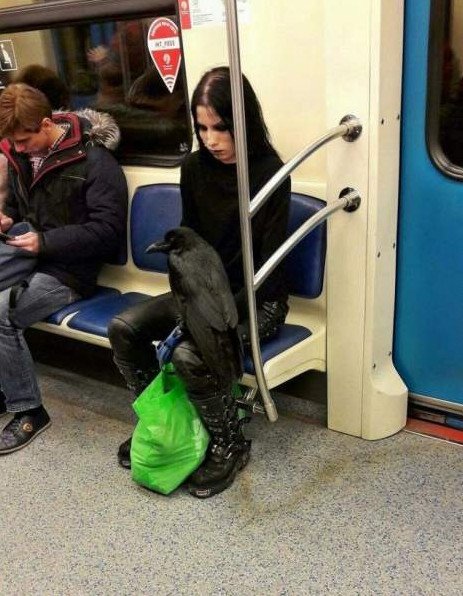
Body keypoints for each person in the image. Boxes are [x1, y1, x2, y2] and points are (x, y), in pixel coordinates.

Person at [108, 66, 290, 498]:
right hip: (199, 293)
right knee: (124, 330)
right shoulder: (193, 168)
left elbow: (268, 268)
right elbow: (189, 245)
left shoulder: (270, 173)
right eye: (202, 128)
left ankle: (230, 442)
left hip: (255, 300)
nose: (211, 139)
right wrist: (191, 305)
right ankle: (167, 421)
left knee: (190, 354)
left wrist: (208, 321)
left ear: (243, 121)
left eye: (221, 127)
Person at [0, 83, 128, 454]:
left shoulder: (96, 163)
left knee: (1, 315)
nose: (18, 149)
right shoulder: (26, 158)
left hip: (70, 271)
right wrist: (9, 220)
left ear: (46, 124)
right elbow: (24, 211)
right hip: (29, 253)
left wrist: (46, 242)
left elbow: (107, 232)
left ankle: (29, 410)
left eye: (23, 141)